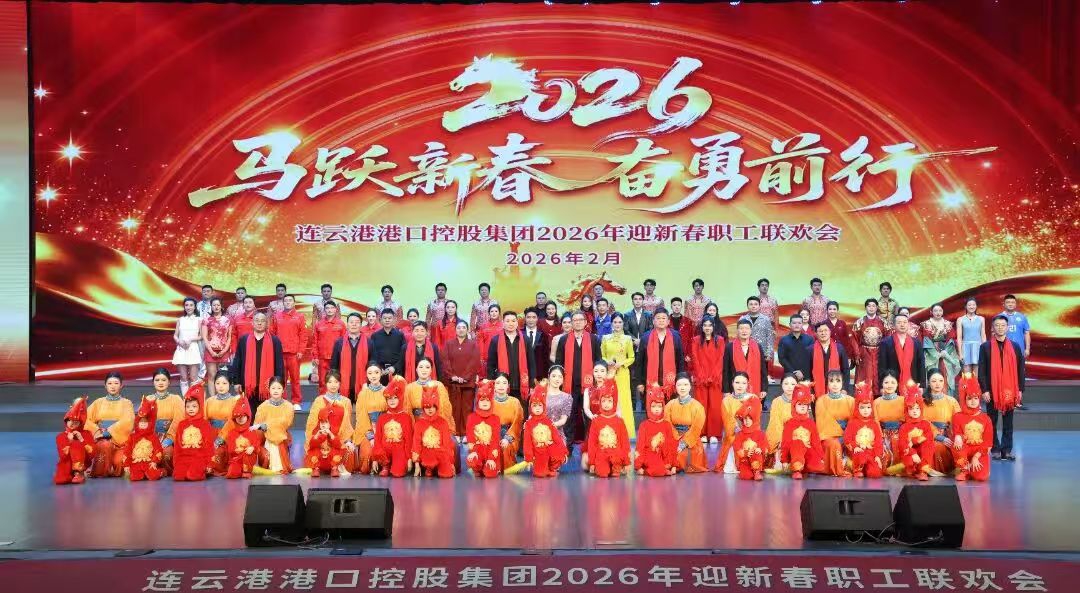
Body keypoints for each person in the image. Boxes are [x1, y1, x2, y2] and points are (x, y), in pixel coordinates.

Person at [979, 314, 1024, 461]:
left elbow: (1021, 369)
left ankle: (1007, 450)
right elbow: (982, 370)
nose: (1000, 328)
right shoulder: (985, 347)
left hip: (1010, 390)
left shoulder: (1015, 347)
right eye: (997, 325)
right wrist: (984, 390)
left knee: (1008, 422)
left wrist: (1020, 390)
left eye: (1003, 325)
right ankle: (995, 448)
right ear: (992, 328)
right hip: (992, 389)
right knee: (991, 421)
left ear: (1007, 327)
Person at [555, 311, 603, 442]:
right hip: (569, 385)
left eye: (580, 320)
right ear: (571, 323)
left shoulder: (594, 339)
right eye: (575, 320)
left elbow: (598, 361)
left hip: (589, 385)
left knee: (590, 416)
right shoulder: (564, 340)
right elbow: (558, 363)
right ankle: (568, 445)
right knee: (569, 416)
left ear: (585, 322)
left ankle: (591, 444)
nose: (577, 322)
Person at [229, 312, 285, 411]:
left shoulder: (275, 341)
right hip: (248, 386)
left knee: (266, 414)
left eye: (262, 321)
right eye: (257, 320)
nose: (259, 323)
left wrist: (279, 383)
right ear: (252, 323)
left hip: (268, 386)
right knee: (249, 414)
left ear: (267, 323)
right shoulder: (244, 340)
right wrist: (236, 382)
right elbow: (238, 361)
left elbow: (279, 364)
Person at [86, 371, 135, 478]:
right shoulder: (98, 402)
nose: (113, 386)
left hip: (119, 442)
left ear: (121, 385)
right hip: (101, 439)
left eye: (116, 383)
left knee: (120, 463)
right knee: (105, 445)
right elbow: (87, 419)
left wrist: (110, 432)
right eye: (110, 383)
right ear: (105, 385)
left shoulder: (127, 403)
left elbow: (128, 421)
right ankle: (100, 469)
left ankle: (111, 465)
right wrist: (98, 432)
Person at [306, 372, 355, 476]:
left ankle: (335, 467)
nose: (333, 385)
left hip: (338, 439)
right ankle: (318, 467)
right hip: (321, 440)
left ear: (340, 383)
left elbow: (347, 424)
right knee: (314, 452)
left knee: (349, 452)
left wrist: (347, 441)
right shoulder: (319, 400)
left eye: (336, 382)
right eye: (330, 382)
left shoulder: (346, 401)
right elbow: (312, 423)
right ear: (325, 383)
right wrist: (317, 437)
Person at [351, 368, 396, 474]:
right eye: (370, 373)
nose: (373, 376)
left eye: (376, 372)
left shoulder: (387, 391)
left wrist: (382, 433)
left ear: (381, 373)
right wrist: (371, 436)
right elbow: (361, 418)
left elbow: (391, 412)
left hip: (385, 429)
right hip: (368, 430)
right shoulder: (363, 394)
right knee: (367, 454)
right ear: (366, 375)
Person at [715, 372, 762, 473]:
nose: (740, 386)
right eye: (737, 382)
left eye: (743, 383)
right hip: (733, 436)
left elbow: (756, 420)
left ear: (748, 384)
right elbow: (728, 422)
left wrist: (746, 433)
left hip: (750, 435)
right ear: (732, 383)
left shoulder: (753, 399)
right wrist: (739, 433)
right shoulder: (726, 400)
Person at [442, 320, 482, 439]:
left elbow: (474, 362)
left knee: (467, 408)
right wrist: (452, 376)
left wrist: (465, 377)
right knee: (454, 407)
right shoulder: (449, 344)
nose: (461, 329)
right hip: (453, 382)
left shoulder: (473, 344)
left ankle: (465, 433)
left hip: (468, 382)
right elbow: (445, 361)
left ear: (467, 329)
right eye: (459, 327)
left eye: (464, 327)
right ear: (455, 330)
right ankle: (455, 432)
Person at [636, 307, 685, 400]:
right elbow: (640, 362)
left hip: (671, 383)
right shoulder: (646, 337)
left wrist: (680, 380)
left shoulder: (675, 337)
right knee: (652, 407)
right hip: (650, 382)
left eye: (663, 318)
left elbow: (680, 360)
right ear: (653, 321)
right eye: (658, 318)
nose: (661, 320)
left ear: (668, 321)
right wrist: (640, 383)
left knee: (670, 407)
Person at [690, 317, 725, 445]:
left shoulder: (720, 340)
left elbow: (720, 358)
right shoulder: (696, 340)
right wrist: (702, 376)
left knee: (715, 407)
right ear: (702, 327)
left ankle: (714, 434)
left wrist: (713, 375)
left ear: (714, 326)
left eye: (710, 325)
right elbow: (695, 359)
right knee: (701, 406)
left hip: (716, 378)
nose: (707, 328)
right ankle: (702, 433)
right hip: (701, 378)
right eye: (705, 325)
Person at [270, 295, 309, 410]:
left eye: (290, 300)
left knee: (295, 379)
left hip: (294, 353)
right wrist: (273, 350)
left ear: (294, 303)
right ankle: (281, 400)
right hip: (280, 353)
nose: (288, 302)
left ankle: (296, 401)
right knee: (280, 378)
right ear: (283, 303)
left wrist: (301, 350)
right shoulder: (277, 316)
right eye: (286, 301)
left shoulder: (299, 316)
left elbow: (303, 335)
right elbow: (272, 334)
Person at [952, 372, 993, 481]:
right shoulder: (957, 417)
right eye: (969, 398)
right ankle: (964, 470)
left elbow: (988, 444)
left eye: (976, 398)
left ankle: (971, 467)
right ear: (964, 399)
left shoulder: (986, 419)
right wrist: (957, 436)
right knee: (957, 444)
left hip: (979, 451)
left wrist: (976, 457)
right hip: (964, 449)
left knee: (981, 477)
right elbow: (957, 434)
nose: (973, 401)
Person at [523, 383, 569, 478]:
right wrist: (529, 457)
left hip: (549, 447)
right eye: (534, 406)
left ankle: (552, 467)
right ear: (530, 407)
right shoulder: (528, 424)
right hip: (538, 451)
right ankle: (543, 467)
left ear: (543, 406)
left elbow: (557, 438)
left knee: (559, 454)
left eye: (540, 405)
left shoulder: (548, 421)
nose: (537, 408)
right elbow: (527, 443)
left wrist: (564, 452)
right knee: (540, 474)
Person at [488, 311, 535, 403]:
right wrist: (491, 383)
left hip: (522, 385)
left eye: (513, 321)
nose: (511, 324)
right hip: (502, 386)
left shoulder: (526, 339)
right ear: (503, 323)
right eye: (508, 321)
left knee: (521, 411)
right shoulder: (495, 340)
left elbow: (532, 364)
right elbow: (491, 365)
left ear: (517, 323)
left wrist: (532, 384)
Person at [780, 383, 825, 479]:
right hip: (793, 454)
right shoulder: (790, 423)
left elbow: (816, 442)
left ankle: (804, 467)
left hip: (807, 452)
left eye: (805, 404)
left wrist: (821, 457)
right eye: (800, 404)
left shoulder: (811, 422)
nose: (803, 407)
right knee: (798, 443)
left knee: (819, 466)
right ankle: (796, 469)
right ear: (794, 406)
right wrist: (784, 460)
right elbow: (785, 443)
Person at [664, 374, 707, 473]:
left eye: (685, 384)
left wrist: (683, 443)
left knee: (681, 455)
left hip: (691, 440)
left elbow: (696, 428)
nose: (682, 388)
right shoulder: (670, 405)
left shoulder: (698, 406)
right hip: (673, 438)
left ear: (690, 386)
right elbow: (667, 424)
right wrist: (675, 440)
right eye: (679, 385)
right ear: (675, 387)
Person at [144, 368, 184, 475]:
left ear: (169, 382)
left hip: (169, 437)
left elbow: (179, 419)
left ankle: (164, 471)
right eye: (157, 380)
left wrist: (170, 438)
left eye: (163, 380)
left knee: (167, 453)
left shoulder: (176, 399)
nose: (160, 383)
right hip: (151, 436)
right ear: (153, 382)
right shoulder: (148, 399)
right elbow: (142, 420)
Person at [601, 313, 636, 437]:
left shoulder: (627, 339)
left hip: (622, 373)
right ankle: (609, 430)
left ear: (623, 324)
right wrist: (607, 362)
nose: (617, 324)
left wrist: (622, 363)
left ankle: (625, 431)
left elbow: (632, 357)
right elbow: (602, 356)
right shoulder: (605, 338)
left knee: (623, 400)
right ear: (611, 323)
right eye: (615, 322)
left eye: (620, 322)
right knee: (608, 398)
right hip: (609, 373)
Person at [815, 370, 855, 476]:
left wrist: (847, 435)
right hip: (829, 436)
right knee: (834, 444)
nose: (835, 384)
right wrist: (839, 436)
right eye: (831, 381)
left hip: (848, 434)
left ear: (842, 383)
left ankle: (856, 467)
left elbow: (854, 422)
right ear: (827, 383)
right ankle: (838, 469)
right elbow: (822, 424)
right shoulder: (821, 401)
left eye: (838, 381)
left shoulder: (851, 400)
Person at [253, 376, 296, 474]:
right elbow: (257, 427)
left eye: (279, 388)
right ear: (269, 389)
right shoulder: (263, 407)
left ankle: (280, 466)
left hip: (282, 438)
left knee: (278, 439)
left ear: (283, 390)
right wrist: (264, 428)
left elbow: (287, 423)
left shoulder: (289, 406)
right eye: (273, 388)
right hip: (266, 438)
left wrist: (269, 425)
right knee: (269, 446)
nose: (276, 391)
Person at [172, 383, 214, 482]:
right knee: (178, 476)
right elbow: (177, 446)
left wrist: (209, 464)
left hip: (199, 457)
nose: (191, 409)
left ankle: (201, 471)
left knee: (192, 475)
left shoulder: (205, 423)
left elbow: (209, 446)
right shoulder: (182, 424)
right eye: (188, 406)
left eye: (194, 406)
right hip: (184, 457)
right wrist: (176, 462)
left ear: (199, 407)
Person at [411, 386, 456, 478]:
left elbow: (447, 443)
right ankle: (429, 467)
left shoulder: (443, 422)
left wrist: (451, 462)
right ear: (423, 408)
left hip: (441, 453)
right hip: (426, 453)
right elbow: (416, 444)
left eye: (432, 406)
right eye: (427, 407)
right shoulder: (419, 423)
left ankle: (440, 467)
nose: (430, 409)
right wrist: (416, 464)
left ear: (436, 406)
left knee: (446, 475)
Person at [371, 378, 412, 477]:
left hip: (399, 450)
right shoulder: (382, 417)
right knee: (381, 448)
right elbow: (377, 438)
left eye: (395, 398)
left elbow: (409, 439)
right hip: (385, 451)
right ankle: (385, 466)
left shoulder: (406, 417)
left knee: (398, 473)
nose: (392, 401)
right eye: (389, 398)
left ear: (400, 398)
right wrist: (375, 458)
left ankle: (396, 465)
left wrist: (409, 458)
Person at [586, 386, 631, 478]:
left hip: (617, 454)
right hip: (601, 454)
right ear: (600, 402)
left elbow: (625, 442)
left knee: (616, 473)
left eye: (609, 401)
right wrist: (592, 463)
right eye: (603, 401)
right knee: (602, 473)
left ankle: (616, 467)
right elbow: (592, 443)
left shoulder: (619, 421)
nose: (606, 404)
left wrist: (627, 462)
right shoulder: (596, 420)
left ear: (614, 402)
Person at [635, 386, 678, 477]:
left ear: (663, 407)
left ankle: (662, 468)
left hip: (664, 455)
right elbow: (640, 446)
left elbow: (671, 444)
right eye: (653, 406)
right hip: (650, 455)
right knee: (657, 468)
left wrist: (674, 465)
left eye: (659, 406)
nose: (657, 409)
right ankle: (653, 470)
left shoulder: (666, 424)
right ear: (649, 407)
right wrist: (638, 466)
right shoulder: (644, 425)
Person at [844, 382, 885, 478]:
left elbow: (878, 441)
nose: (866, 410)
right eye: (862, 407)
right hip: (857, 453)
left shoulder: (874, 424)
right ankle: (857, 469)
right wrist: (855, 447)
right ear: (857, 408)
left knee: (875, 473)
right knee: (860, 457)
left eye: (868, 407)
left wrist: (877, 456)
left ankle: (866, 468)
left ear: (871, 408)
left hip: (871, 453)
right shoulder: (853, 422)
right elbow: (847, 439)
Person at [923, 369, 960, 474]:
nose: (937, 384)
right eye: (934, 381)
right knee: (937, 447)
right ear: (928, 383)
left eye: (940, 380)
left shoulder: (951, 401)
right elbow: (922, 422)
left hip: (948, 434)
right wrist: (938, 437)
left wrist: (956, 436)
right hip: (928, 435)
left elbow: (958, 421)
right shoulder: (922, 401)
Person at [405, 358, 456, 435]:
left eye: (427, 367)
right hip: (416, 427)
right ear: (416, 369)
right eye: (421, 367)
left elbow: (445, 410)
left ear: (431, 370)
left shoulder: (438, 385)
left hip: (436, 427)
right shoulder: (409, 388)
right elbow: (407, 411)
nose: (424, 370)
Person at [329, 312, 372, 402]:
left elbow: (372, 364)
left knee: (361, 409)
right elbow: (334, 366)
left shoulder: (369, 342)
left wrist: (369, 382)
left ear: (361, 325)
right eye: (351, 322)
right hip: (343, 385)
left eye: (357, 322)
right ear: (347, 324)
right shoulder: (339, 343)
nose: (354, 324)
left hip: (363, 385)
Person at [723, 319, 768, 404]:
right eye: (741, 328)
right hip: (735, 388)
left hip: (755, 387)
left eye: (747, 328)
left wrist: (764, 388)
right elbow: (725, 371)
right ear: (737, 330)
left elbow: (763, 369)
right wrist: (726, 390)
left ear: (751, 330)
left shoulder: (758, 347)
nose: (744, 331)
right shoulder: (729, 347)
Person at [465, 380, 503, 478]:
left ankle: (489, 466)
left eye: (487, 400)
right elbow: (470, 437)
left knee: (490, 473)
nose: (485, 403)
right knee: (472, 461)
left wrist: (491, 458)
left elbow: (495, 439)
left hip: (491, 450)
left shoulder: (495, 418)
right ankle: (478, 468)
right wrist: (473, 451)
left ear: (491, 402)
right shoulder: (471, 417)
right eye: (482, 400)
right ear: (478, 402)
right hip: (477, 449)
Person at [850, 298, 888, 395]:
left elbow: (888, 338)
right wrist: (857, 354)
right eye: (869, 306)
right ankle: (863, 396)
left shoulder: (883, 322)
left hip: (879, 352)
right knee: (865, 375)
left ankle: (878, 396)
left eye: (873, 306)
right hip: (864, 352)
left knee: (878, 374)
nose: (871, 308)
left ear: (877, 308)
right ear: (865, 308)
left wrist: (885, 353)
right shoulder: (859, 322)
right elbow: (854, 339)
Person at [921, 303, 961, 394]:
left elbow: (951, 340)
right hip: (932, 354)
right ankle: (932, 397)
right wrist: (936, 354)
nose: (938, 313)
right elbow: (926, 341)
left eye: (940, 310)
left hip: (946, 352)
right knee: (933, 375)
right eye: (935, 311)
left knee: (947, 374)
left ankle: (947, 396)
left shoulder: (947, 324)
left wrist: (945, 352)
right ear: (931, 312)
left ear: (943, 311)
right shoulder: (927, 324)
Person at [897, 389, 936, 481]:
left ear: (921, 409)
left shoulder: (925, 424)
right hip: (910, 452)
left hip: (923, 451)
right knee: (909, 462)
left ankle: (923, 471)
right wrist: (912, 453)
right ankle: (912, 470)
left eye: (917, 408)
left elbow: (929, 437)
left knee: (928, 444)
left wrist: (914, 441)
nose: (915, 411)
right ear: (907, 411)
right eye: (911, 409)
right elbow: (902, 444)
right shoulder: (904, 426)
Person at [878, 313, 924, 389]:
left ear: (908, 325)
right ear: (894, 325)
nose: (902, 325)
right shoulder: (885, 342)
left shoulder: (916, 343)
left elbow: (921, 364)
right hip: (892, 385)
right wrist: (882, 386)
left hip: (912, 383)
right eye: (899, 322)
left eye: (905, 322)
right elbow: (882, 366)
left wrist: (921, 384)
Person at [55, 397, 94, 485]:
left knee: (76, 445)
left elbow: (91, 454)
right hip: (67, 462)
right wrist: (69, 441)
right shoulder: (60, 436)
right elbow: (63, 456)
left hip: (83, 463)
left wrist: (82, 440)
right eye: (70, 421)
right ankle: (73, 473)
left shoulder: (87, 433)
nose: (72, 423)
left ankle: (79, 473)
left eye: (76, 421)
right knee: (61, 480)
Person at [206, 372, 239, 476]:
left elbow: (233, 421)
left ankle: (212, 468)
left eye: (224, 383)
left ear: (230, 384)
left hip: (227, 435)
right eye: (218, 383)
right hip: (211, 434)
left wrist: (221, 438)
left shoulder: (234, 401)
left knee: (218, 452)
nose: (221, 386)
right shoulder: (209, 401)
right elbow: (204, 420)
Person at [125, 397, 166, 481]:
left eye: (145, 423)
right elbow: (127, 450)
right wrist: (126, 464)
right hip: (136, 463)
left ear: (149, 424)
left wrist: (154, 461)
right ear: (137, 424)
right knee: (134, 477)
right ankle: (141, 473)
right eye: (141, 423)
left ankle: (162, 471)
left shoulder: (153, 436)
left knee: (153, 476)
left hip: (149, 462)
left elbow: (158, 450)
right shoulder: (132, 436)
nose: (143, 424)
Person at [490, 373, 524, 469]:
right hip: (491, 435)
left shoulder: (515, 402)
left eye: (504, 383)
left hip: (508, 435)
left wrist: (507, 438)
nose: (501, 386)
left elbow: (517, 424)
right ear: (494, 385)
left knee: (505, 447)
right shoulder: (489, 401)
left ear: (508, 385)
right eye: (498, 383)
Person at [312, 300, 347, 393]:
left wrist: (343, 357)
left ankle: (336, 400)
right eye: (327, 308)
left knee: (336, 381)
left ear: (335, 310)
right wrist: (315, 356)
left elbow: (345, 342)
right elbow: (315, 342)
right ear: (324, 310)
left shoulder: (341, 324)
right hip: (322, 358)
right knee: (323, 382)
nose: (329, 310)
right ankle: (323, 400)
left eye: (332, 308)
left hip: (337, 358)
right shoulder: (318, 324)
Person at [808, 322, 851, 398]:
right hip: (815, 392)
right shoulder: (810, 349)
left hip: (837, 389)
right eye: (820, 331)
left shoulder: (839, 348)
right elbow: (807, 373)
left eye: (825, 330)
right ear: (816, 334)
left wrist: (844, 388)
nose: (823, 333)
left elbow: (845, 370)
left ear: (830, 332)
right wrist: (810, 391)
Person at [224, 397, 262, 479]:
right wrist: (237, 450)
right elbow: (230, 449)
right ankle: (240, 470)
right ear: (234, 418)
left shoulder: (251, 431)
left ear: (248, 417)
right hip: (236, 459)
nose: (241, 419)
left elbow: (257, 444)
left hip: (248, 458)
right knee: (232, 473)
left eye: (244, 416)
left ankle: (247, 471)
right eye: (238, 416)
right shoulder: (231, 433)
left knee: (247, 456)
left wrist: (252, 447)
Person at [173, 297, 203, 395]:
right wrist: (179, 341)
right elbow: (175, 335)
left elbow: (201, 336)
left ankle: (194, 399)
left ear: (195, 307)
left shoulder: (199, 319)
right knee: (183, 377)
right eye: (186, 305)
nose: (188, 307)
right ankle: (185, 399)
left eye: (191, 305)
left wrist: (191, 339)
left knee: (193, 378)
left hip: (193, 348)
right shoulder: (180, 320)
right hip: (181, 349)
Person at [765, 375, 798, 466]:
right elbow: (775, 424)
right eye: (786, 384)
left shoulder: (800, 401)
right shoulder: (776, 402)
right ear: (781, 385)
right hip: (781, 436)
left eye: (793, 384)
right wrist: (781, 441)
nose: (789, 387)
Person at [874, 372, 905, 466]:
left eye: (893, 382)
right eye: (886, 382)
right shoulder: (876, 402)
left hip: (901, 434)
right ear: (882, 384)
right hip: (883, 435)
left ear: (897, 384)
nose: (889, 385)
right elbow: (875, 422)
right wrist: (881, 438)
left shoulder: (903, 400)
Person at [307, 404, 346, 478]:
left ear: (331, 423)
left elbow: (338, 445)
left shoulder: (334, 433)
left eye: (326, 422)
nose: (323, 425)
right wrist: (317, 435)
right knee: (313, 451)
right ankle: (316, 468)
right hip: (320, 459)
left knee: (337, 451)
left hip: (330, 459)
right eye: (321, 423)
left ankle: (334, 468)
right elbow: (312, 445)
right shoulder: (317, 432)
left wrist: (330, 434)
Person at [732, 401, 768, 481]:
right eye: (745, 419)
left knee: (755, 450)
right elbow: (736, 448)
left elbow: (765, 445)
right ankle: (751, 471)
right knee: (746, 476)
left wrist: (760, 449)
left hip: (756, 457)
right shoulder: (739, 434)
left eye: (750, 419)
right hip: (744, 460)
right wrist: (745, 453)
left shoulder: (760, 433)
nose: (747, 421)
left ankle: (757, 471)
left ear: (754, 419)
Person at [201, 297, 233, 384]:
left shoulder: (228, 320)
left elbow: (229, 337)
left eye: (218, 305)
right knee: (212, 375)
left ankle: (223, 393)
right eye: (214, 305)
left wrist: (224, 351)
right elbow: (204, 337)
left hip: (224, 351)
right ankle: (212, 394)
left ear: (221, 306)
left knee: (223, 377)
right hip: (210, 351)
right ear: (211, 306)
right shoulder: (206, 320)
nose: (216, 307)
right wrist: (211, 352)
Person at [370, 308, 406, 384]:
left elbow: (403, 355)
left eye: (389, 318)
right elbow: (373, 355)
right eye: (385, 318)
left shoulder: (400, 335)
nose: (387, 320)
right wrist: (378, 368)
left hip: (396, 372)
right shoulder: (375, 336)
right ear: (380, 320)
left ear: (394, 319)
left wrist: (394, 368)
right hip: (379, 373)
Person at [544, 366, 574, 447]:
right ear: (548, 376)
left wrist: (551, 425)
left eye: (560, 377)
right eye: (554, 376)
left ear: (563, 379)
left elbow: (563, 420)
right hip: (540, 433)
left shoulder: (567, 397)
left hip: (557, 435)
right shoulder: (540, 394)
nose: (557, 379)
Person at [778, 314, 814, 381]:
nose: (797, 325)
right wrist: (793, 372)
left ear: (802, 324)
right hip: (789, 376)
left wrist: (802, 372)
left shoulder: (810, 339)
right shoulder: (784, 340)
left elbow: (811, 358)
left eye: (799, 323)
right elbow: (782, 359)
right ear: (790, 324)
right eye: (794, 323)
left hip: (806, 375)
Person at [740, 296, 775, 363]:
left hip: (762, 352)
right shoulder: (742, 319)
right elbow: (739, 336)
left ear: (759, 306)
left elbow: (769, 337)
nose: (753, 306)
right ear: (747, 306)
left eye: (756, 304)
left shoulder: (766, 319)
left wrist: (769, 354)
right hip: (746, 351)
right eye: (751, 304)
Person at [957, 298, 986, 373]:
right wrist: (960, 353)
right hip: (965, 347)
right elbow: (959, 337)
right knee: (967, 374)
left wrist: (985, 351)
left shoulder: (981, 319)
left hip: (978, 347)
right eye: (969, 305)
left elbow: (983, 336)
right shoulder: (960, 319)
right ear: (965, 306)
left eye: (973, 305)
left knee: (977, 373)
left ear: (976, 306)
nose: (971, 307)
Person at [999, 294, 1031, 358]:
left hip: (1020, 350)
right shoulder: (998, 317)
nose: (1010, 304)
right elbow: (994, 334)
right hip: (1003, 350)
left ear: (1015, 304)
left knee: (1019, 365)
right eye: (1008, 302)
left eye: (1012, 302)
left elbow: (1026, 333)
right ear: (1004, 304)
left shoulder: (1022, 317)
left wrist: (1027, 349)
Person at [522, 307, 550, 382]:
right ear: (525, 318)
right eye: (528, 317)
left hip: (539, 374)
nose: (531, 320)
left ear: (537, 318)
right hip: (522, 373)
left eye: (534, 317)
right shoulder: (519, 334)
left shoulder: (544, 335)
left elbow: (546, 358)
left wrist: (545, 377)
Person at [755, 278, 780, 349]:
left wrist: (776, 330)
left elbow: (776, 315)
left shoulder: (773, 300)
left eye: (766, 285)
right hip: (758, 327)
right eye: (762, 285)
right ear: (758, 287)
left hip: (770, 327)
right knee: (758, 348)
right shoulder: (755, 300)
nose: (764, 287)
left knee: (769, 348)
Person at [476, 303, 502, 369]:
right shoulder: (483, 326)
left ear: (499, 313)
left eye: (496, 311)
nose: (494, 313)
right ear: (489, 313)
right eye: (492, 311)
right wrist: (481, 356)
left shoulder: (503, 326)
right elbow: (480, 342)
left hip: (501, 354)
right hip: (487, 356)